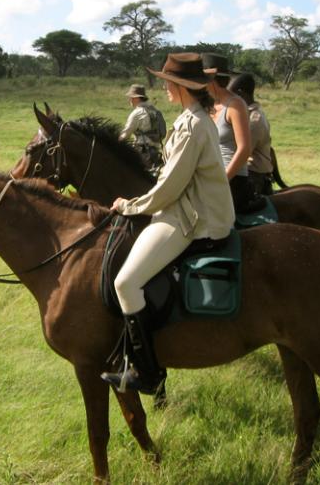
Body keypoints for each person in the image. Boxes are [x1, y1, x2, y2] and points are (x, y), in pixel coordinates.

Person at [101, 53, 235, 394]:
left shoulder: (192, 126)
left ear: (181, 86)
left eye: (167, 82)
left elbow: (170, 188)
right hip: (186, 207)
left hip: (192, 217)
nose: (163, 86)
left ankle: (147, 372)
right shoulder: (190, 117)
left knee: (126, 283)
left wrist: (129, 206)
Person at [201, 53, 259, 213]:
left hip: (232, 178)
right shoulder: (209, 106)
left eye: (201, 81)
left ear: (212, 80)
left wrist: (223, 179)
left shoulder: (236, 105)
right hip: (209, 177)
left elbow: (244, 149)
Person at [230, 73, 274, 196]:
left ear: (240, 94)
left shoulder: (254, 120)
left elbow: (241, 153)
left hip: (253, 175)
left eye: (230, 95)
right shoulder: (245, 114)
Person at [119, 84, 167, 175]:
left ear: (137, 98)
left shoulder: (137, 113)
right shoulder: (156, 111)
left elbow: (125, 135)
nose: (130, 100)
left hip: (141, 153)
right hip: (156, 153)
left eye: (131, 97)